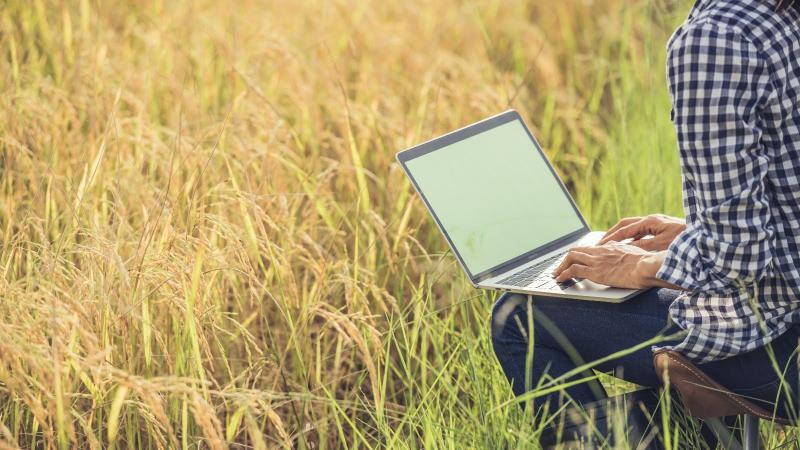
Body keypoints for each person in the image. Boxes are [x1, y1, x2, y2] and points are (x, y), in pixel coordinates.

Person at [491, 0, 800, 425]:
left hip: (780, 347)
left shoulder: (717, 38)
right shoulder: (778, 17)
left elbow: (738, 258)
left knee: (517, 318)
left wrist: (640, 265)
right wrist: (695, 231)